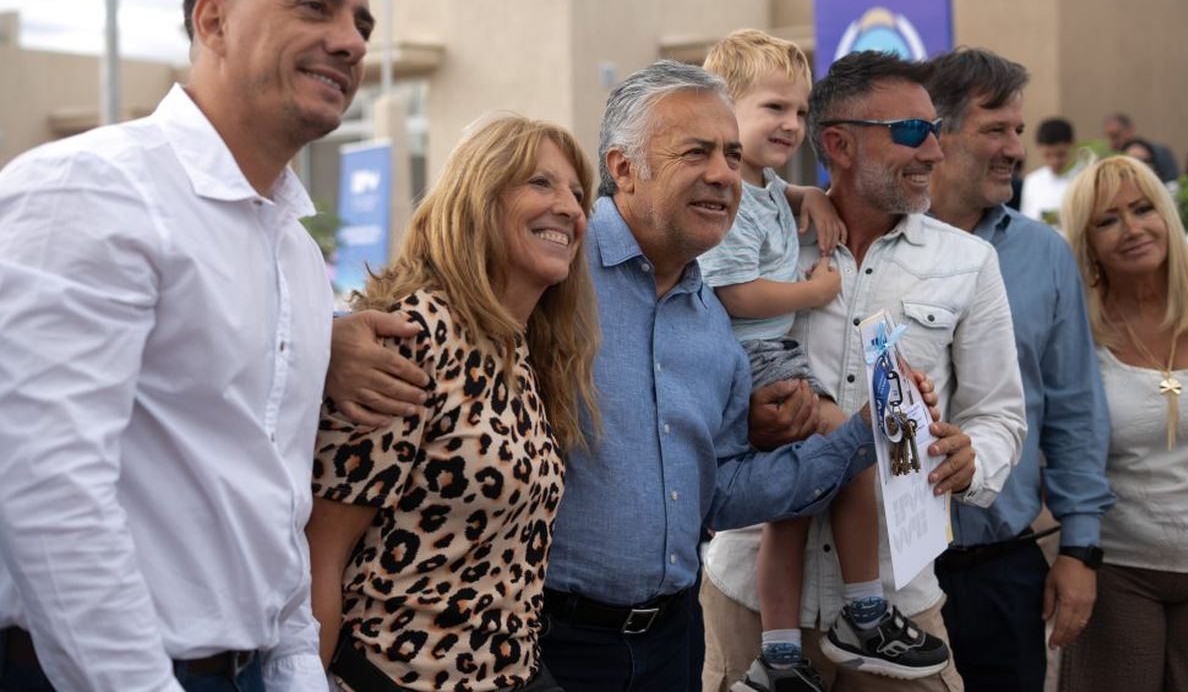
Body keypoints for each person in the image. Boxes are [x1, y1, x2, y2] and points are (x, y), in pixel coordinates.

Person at [326, 59, 978, 692]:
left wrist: (864, 433)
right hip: (525, 647)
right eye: (697, 153)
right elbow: (422, 311)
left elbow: (721, 493)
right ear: (623, 169)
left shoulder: (715, 328)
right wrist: (330, 340)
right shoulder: (548, 267)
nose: (725, 176)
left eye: (730, 154)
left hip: (672, 642)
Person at [0, 0, 374, 691]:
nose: (351, 41)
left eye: (361, 22)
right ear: (214, 21)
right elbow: (45, 487)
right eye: (316, 7)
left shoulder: (298, 256)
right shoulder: (92, 190)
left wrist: (296, 668)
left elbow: (272, 507)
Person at [701, 50, 1026, 692]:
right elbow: (682, 383)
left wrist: (971, 458)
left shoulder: (970, 262)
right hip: (748, 602)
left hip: (899, 602)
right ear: (839, 144)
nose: (933, 151)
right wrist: (741, 421)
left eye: (933, 130)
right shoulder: (752, 242)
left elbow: (1000, 416)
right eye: (911, 131)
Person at [307, 114, 598, 692]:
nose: (570, 207)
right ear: (480, 200)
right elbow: (322, 557)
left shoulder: (521, 350)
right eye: (541, 183)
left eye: (576, 192)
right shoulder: (415, 340)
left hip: (514, 675)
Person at [924, 47, 1115, 692]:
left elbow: (1072, 409)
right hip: (883, 574)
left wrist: (1080, 550)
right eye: (994, 129)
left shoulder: (1043, 255)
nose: (1014, 149)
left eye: (1019, 132)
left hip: (1003, 568)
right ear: (937, 133)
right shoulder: (866, 243)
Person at [1058, 155, 1188, 692]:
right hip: (1117, 572)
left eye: (1143, 209)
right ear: (1087, 242)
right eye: (1108, 219)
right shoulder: (1077, 333)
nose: (1133, 228)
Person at [1019, 117, 1080, 226]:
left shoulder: (1085, 178)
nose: (1054, 161)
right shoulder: (1032, 181)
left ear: (1072, 145)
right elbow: (1027, 221)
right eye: (1047, 155)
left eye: (1061, 154)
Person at [1102, 111, 1180, 184]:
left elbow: (1172, 182)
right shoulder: (1109, 159)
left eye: (1116, 135)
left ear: (1130, 131)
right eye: (1109, 137)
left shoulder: (1161, 153)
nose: (1113, 142)